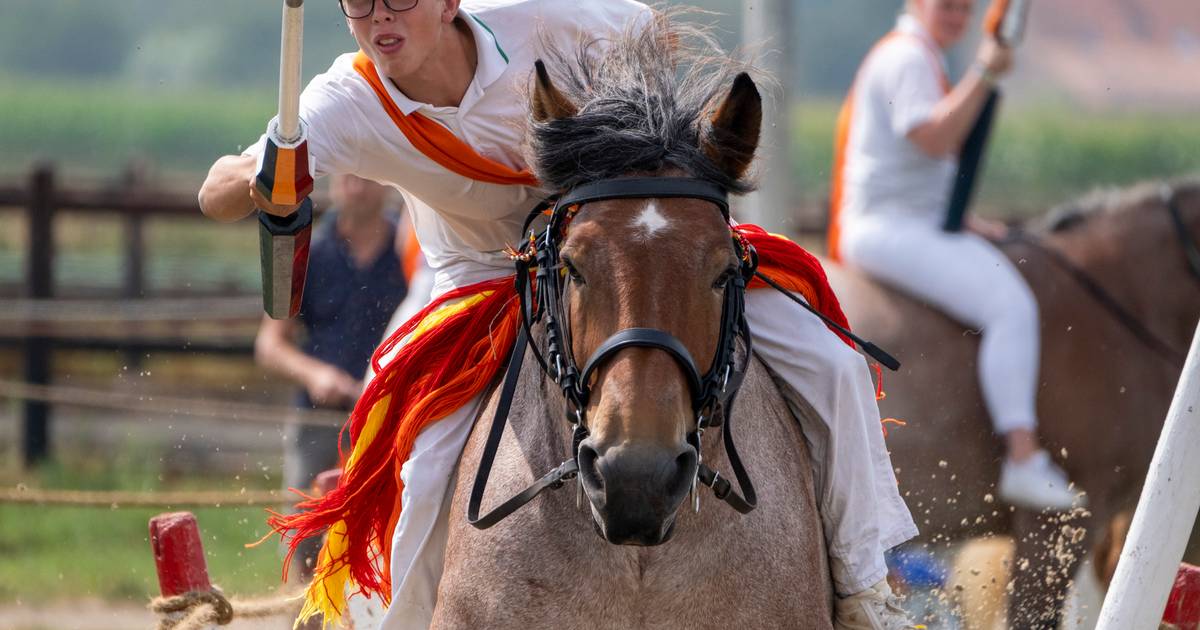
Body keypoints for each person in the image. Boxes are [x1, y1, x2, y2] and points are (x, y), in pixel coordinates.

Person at [200, 1, 918, 628]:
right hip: (480, 275)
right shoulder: (341, 100)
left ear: (449, 2)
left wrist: (616, 140)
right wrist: (270, 174)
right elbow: (215, 192)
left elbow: (654, 34)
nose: (380, 15)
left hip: (617, 241)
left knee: (834, 362)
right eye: (360, 2)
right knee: (423, 458)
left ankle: (864, 589)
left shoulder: (550, 17)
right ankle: (405, 617)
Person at [828, 0, 1079, 512]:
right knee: (1010, 307)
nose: (958, 16)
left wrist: (965, 221)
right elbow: (935, 138)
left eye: (965, 8)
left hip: (906, 220)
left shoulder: (920, 55)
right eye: (947, 5)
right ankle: (1022, 457)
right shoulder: (907, 57)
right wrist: (984, 72)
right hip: (887, 228)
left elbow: (921, 169)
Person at [253, 173, 409, 578]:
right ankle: (302, 607)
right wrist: (316, 375)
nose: (356, 186)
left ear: (386, 182)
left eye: (366, 176)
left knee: (396, 531)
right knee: (305, 536)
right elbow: (270, 344)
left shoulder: (410, 252)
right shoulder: (307, 252)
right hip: (319, 417)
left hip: (393, 416)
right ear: (334, 182)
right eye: (347, 176)